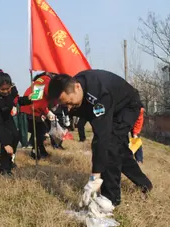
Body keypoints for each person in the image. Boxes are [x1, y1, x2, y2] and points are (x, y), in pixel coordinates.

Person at [48, 69, 153, 207]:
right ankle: (144, 184)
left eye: (70, 102)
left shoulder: (99, 94)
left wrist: (95, 177)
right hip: (112, 106)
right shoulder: (77, 89)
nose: (68, 107)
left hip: (127, 107)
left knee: (109, 145)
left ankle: (110, 199)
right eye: (65, 104)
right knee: (119, 152)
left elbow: (102, 135)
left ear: (77, 87)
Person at [0, 69, 32, 176]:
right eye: (2, 89)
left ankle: (10, 161)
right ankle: (4, 168)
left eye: (8, 88)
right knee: (7, 139)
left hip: (6, 116)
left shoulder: (11, 90)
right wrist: (5, 143)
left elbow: (17, 101)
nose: (6, 91)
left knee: (16, 136)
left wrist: (29, 99)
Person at [20, 72, 57, 160]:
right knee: (40, 132)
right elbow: (38, 98)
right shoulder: (45, 80)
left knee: (39, 131)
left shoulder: (41, 80)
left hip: (32, 110)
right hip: (30, 110)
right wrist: (47, 111)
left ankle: (38, 152)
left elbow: (39, 98)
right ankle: (36, 152)